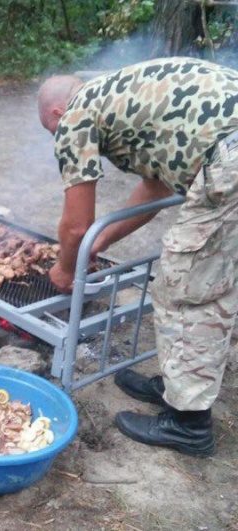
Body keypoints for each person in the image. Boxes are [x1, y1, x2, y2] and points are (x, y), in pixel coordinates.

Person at [37, 57, 238, 457]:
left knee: (186, 290)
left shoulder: (74, 118)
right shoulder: (124, 93)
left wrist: (63, 267)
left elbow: (76, 225)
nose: (56, 138)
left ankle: (189, 425)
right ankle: (178, 387)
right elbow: (156, 190)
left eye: (51, 130)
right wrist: (99, 244)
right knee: (210, 278)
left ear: (57, 112)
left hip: (229, 163)